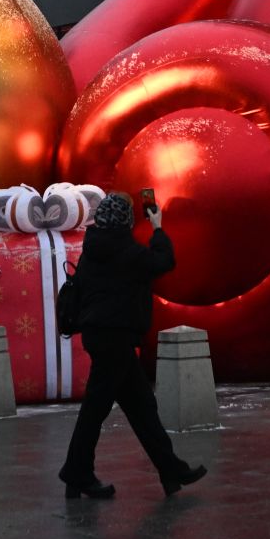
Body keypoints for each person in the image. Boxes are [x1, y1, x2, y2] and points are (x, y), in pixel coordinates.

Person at [58, 193, 207, 501]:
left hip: (100, 336)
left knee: (141, 408)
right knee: (96, 410)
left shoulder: (92, 249)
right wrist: (157, 227)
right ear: (125, 221)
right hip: (116, 339)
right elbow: (165, 260)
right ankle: (77, 473)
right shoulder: (126, 251)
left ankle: (170, 470)